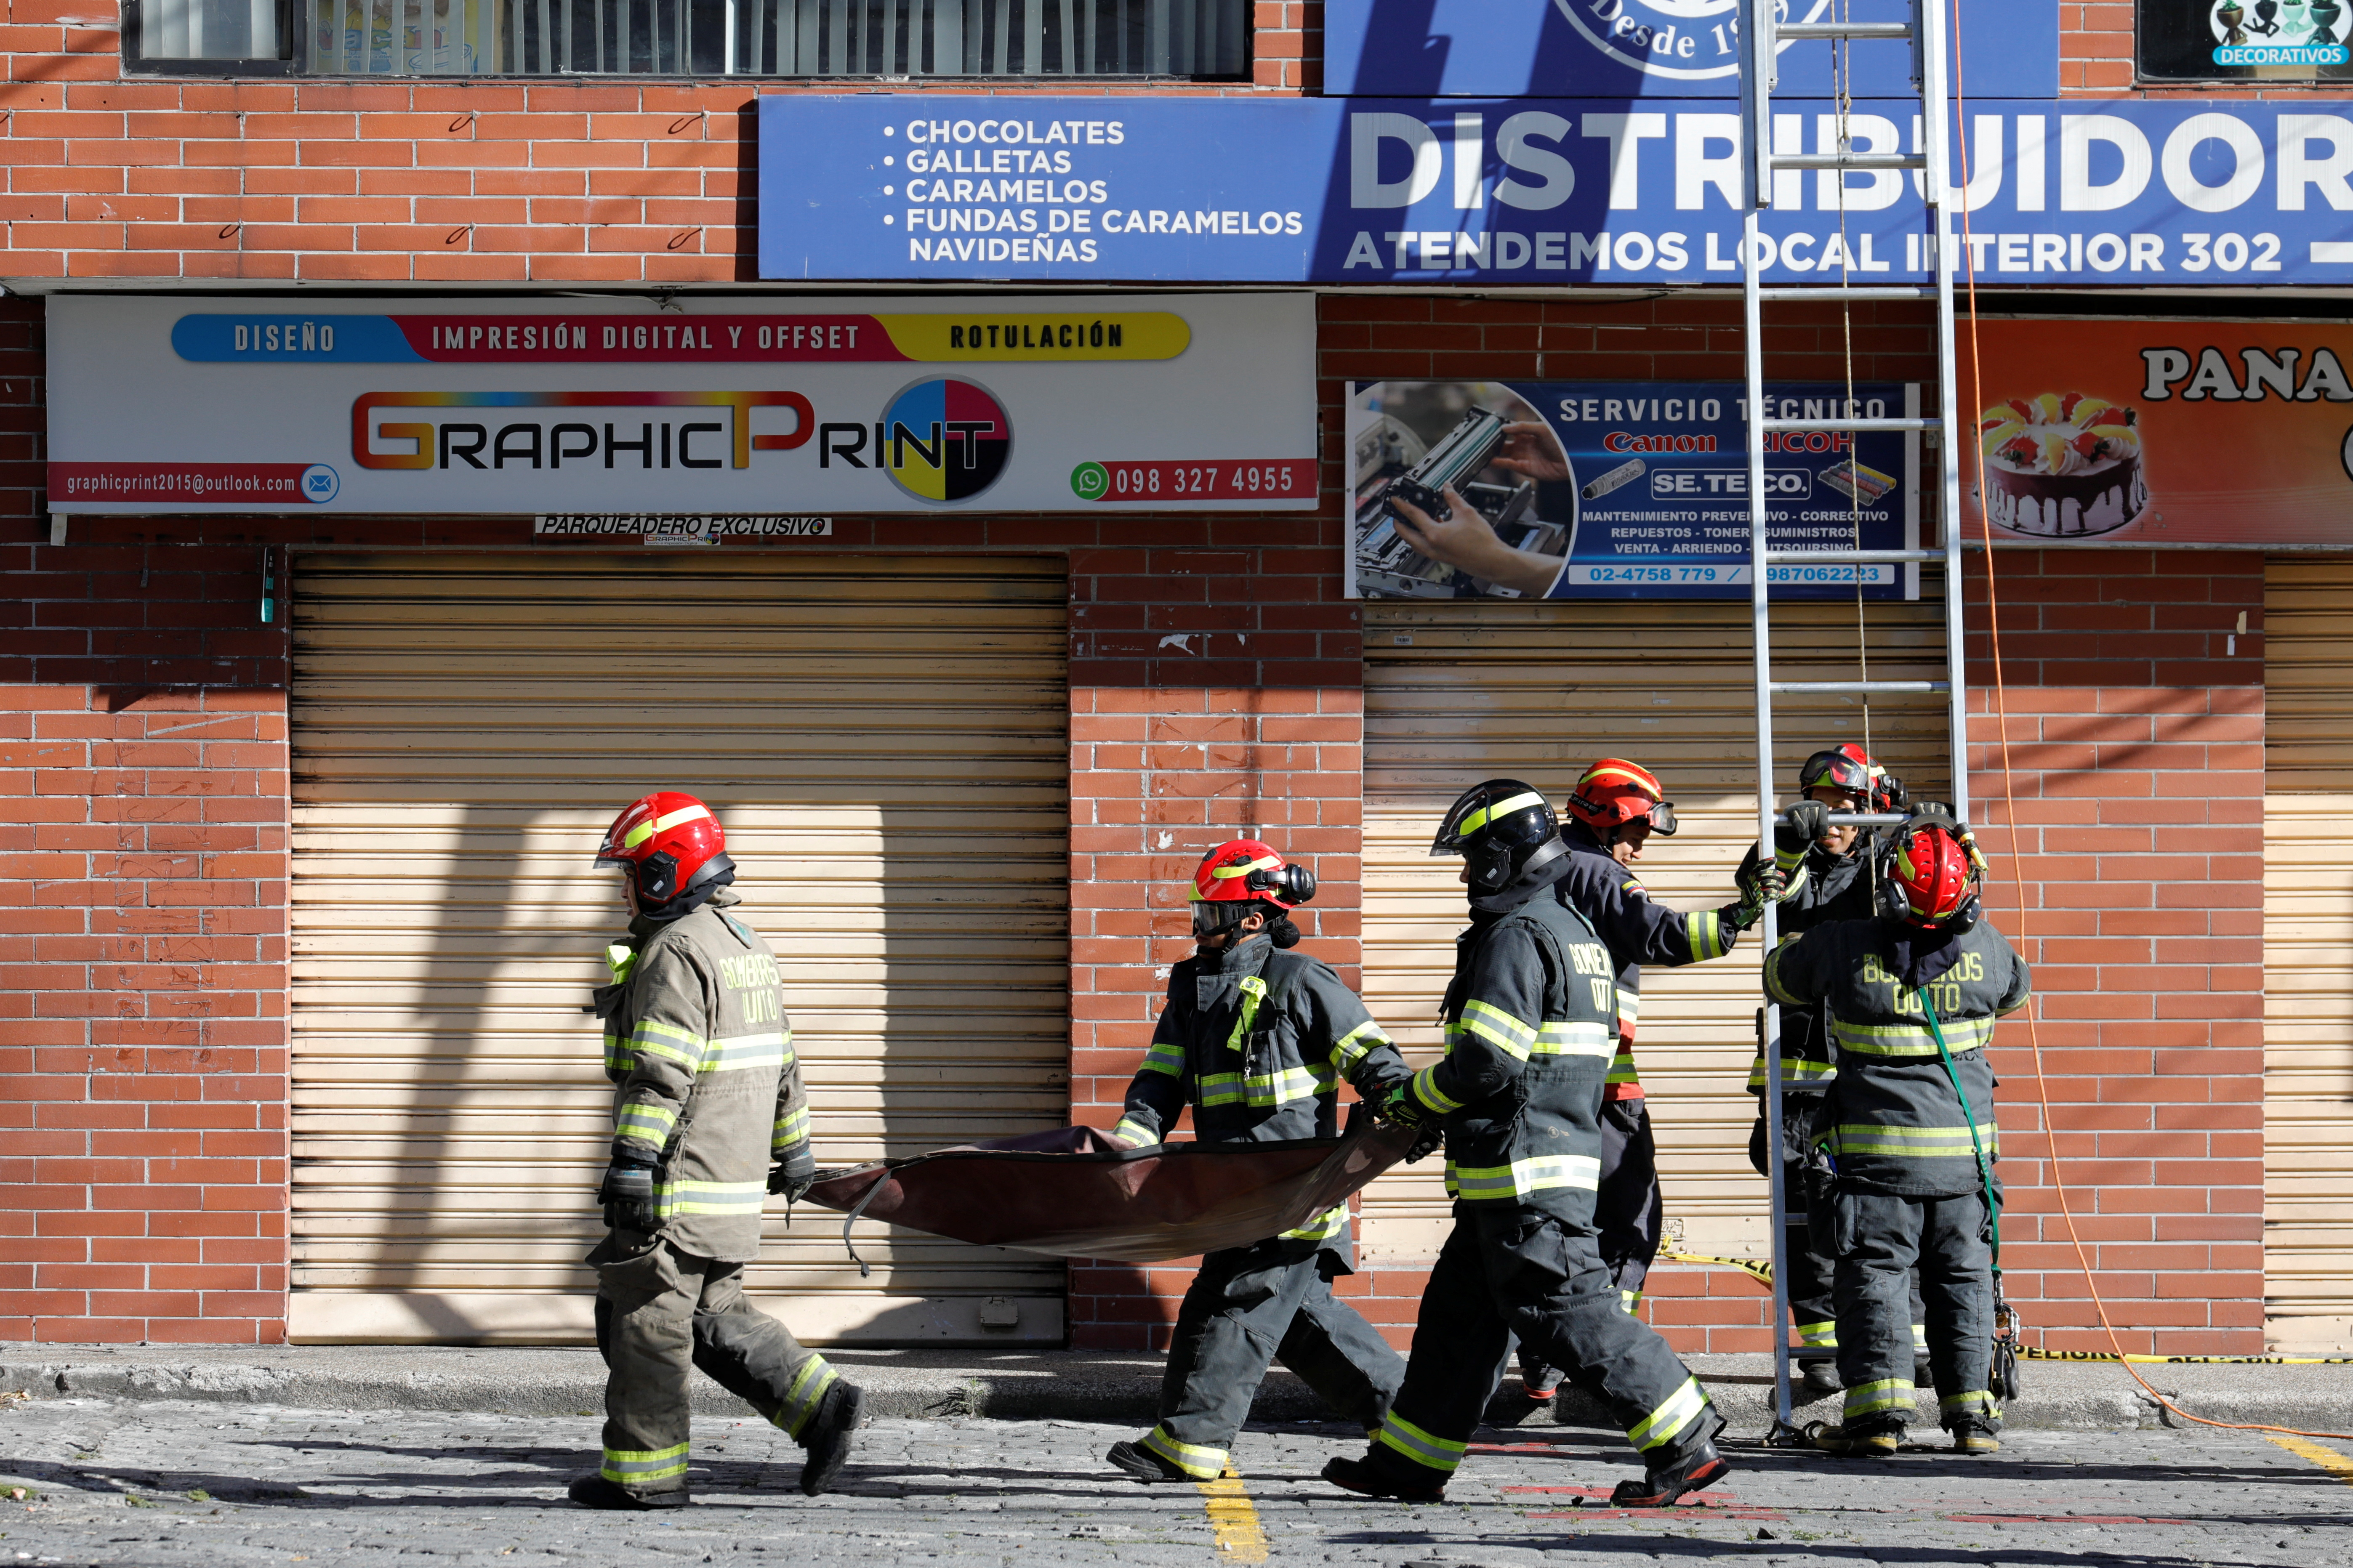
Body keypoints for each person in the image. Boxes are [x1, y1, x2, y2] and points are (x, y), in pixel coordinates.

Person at [1321, 781, 1729, 1507]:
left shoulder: (1517, 934)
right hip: (1513, 1166)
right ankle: (1409, 1464)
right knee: (1458, 1323)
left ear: (1502, 858)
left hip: (1523, 1171)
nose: (1463, 873)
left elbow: (1488, 1061)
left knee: (1567, 1306)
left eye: (1472, 856)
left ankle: (1685, 1439)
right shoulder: (1570, 930)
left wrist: (1414, 1099)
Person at [569, 790, 865, 1510]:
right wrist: (796, 1153)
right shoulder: (744, 943)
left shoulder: (674, 950)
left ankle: (644, 1476)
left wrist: (634, 1162)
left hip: (678, 1183)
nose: (624, 888)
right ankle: (820, 1403)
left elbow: (659, 1072)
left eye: (632, 872)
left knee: (645, 1321)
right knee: (712, 1312)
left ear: (667, 872)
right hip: (729, 1186)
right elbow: (786, 1061)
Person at [1103, 839, 1418, 1485]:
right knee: (1304, 1326)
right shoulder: (1191, 988)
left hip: (1293, 1192)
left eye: (1211, 915)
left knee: (1229, 1306)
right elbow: (1161, 1077)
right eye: (1199, 914)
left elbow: (1374, 1060)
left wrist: (1403, 1114)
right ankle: (1414, 1421)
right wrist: (1132, 1138)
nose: (1200, 928)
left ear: (1251, 918)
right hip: (1234, 1192)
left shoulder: (1302, 979)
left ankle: (1189, 1443)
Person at [1501, 759, 1777, 1411]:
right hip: (1600, 1088)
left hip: (1547, 1087)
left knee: (1555, 1226)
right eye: (1635, 830)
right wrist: (1743, 911)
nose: (1640, 845)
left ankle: (1542, 1364)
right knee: (1628, 1224)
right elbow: (1663, 935)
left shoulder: (1538, 870)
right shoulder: (1593, 869)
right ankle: (1603, 1355)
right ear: (1606, 818)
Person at [1762, 812, 2029, 1458]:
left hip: (1875, 1162)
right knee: (1963, 1281)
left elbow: (1777, 977)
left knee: (1876, 1280)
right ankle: (1973, 1421)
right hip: (1964, 1166)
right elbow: (2015, 992)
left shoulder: (1843, 942)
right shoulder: (1988, 947)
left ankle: (1879, 1420)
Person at [1740, 744, 1921, 1398]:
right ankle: (1821, 1351)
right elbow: (1758, 892)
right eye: (1823, 809)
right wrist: (1794, 835)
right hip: (1798, 1076)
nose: (1835, 823)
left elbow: (1943, 895)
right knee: (1807, 1212)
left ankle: (1914, 1339)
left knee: (1900, 1200)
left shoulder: (1888, 861)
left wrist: (1932, 830)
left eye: (1848, 811)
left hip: (1879, 1069)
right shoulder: (1786, 853)